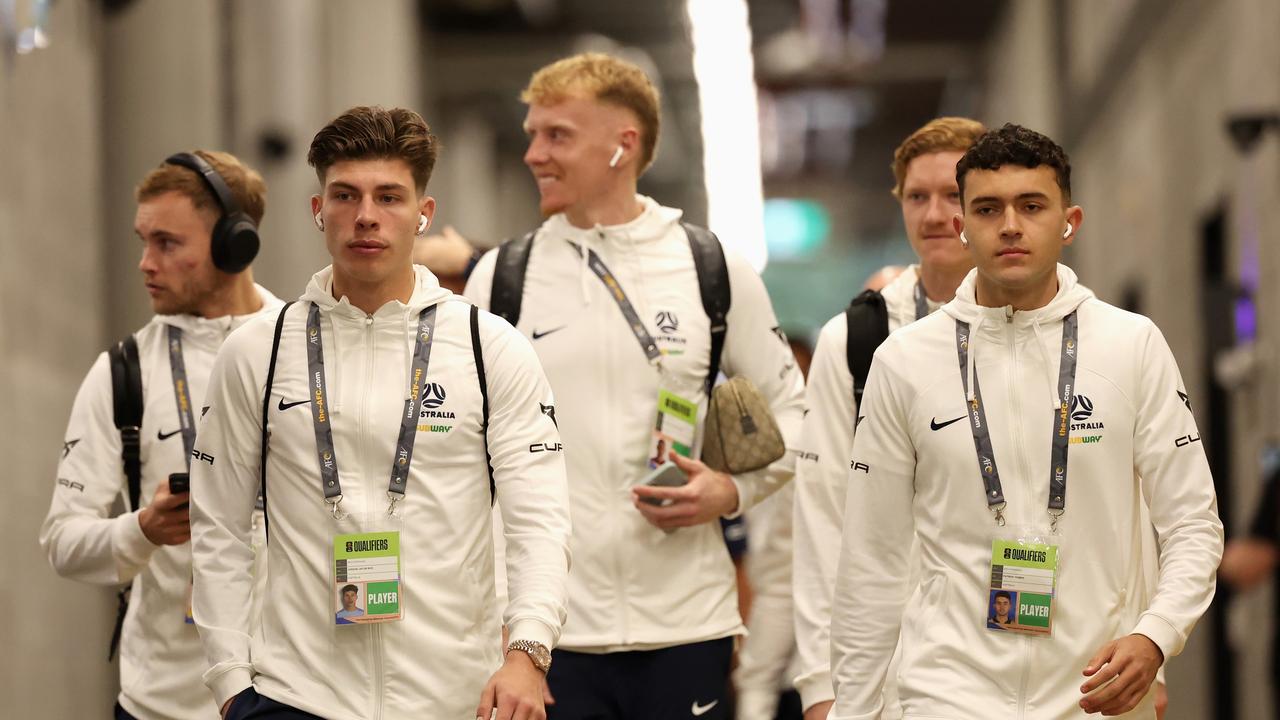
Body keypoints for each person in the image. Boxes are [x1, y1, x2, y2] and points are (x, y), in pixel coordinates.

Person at [190, 105, 571, 720]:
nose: (366, 215)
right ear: (319, 211)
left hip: (451, 698)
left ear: (424, 214)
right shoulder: (257, 352)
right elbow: (219, 529)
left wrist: (527, 653)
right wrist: (231, 682)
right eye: (345, 195)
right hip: (296, 696)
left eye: (389, 196)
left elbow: (539, 522)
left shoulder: (487, 346)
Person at [829, 123, 1223, 719]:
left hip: (1094, 693)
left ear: (1071, 221)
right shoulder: (903, 362)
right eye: (988, 209)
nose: (1010, 225)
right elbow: (871, 561)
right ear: (962, 226)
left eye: (1032, 205)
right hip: (946, 693)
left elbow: (1193, 523)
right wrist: (852, 712)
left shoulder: (1131, 344)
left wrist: (1156, 636)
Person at [465, 53, 804, 720]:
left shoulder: (711, 267)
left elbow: (801, 416)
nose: (534, 153)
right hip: (543, 641)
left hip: (687, 628)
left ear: (623, 145)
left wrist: (732, 491)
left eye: (556, 135)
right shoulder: (503, 278)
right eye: (533, 133)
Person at [40, 150, 282, 720]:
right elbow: (62, 542)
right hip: (164, 705)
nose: (146, 262)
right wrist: (142, 531)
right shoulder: (124, 372)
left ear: (234, 244)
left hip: (295, 697)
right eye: (143, 240)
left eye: (167, 243)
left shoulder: (305, 353)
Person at [791, 117, 985, 720]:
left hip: (1031, 646)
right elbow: (822, 513)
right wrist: (821, 683)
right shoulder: (856, 339)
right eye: (917, 197)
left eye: (953, 195)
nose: (933, 216)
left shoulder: (1061, 331)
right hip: (897, 663)